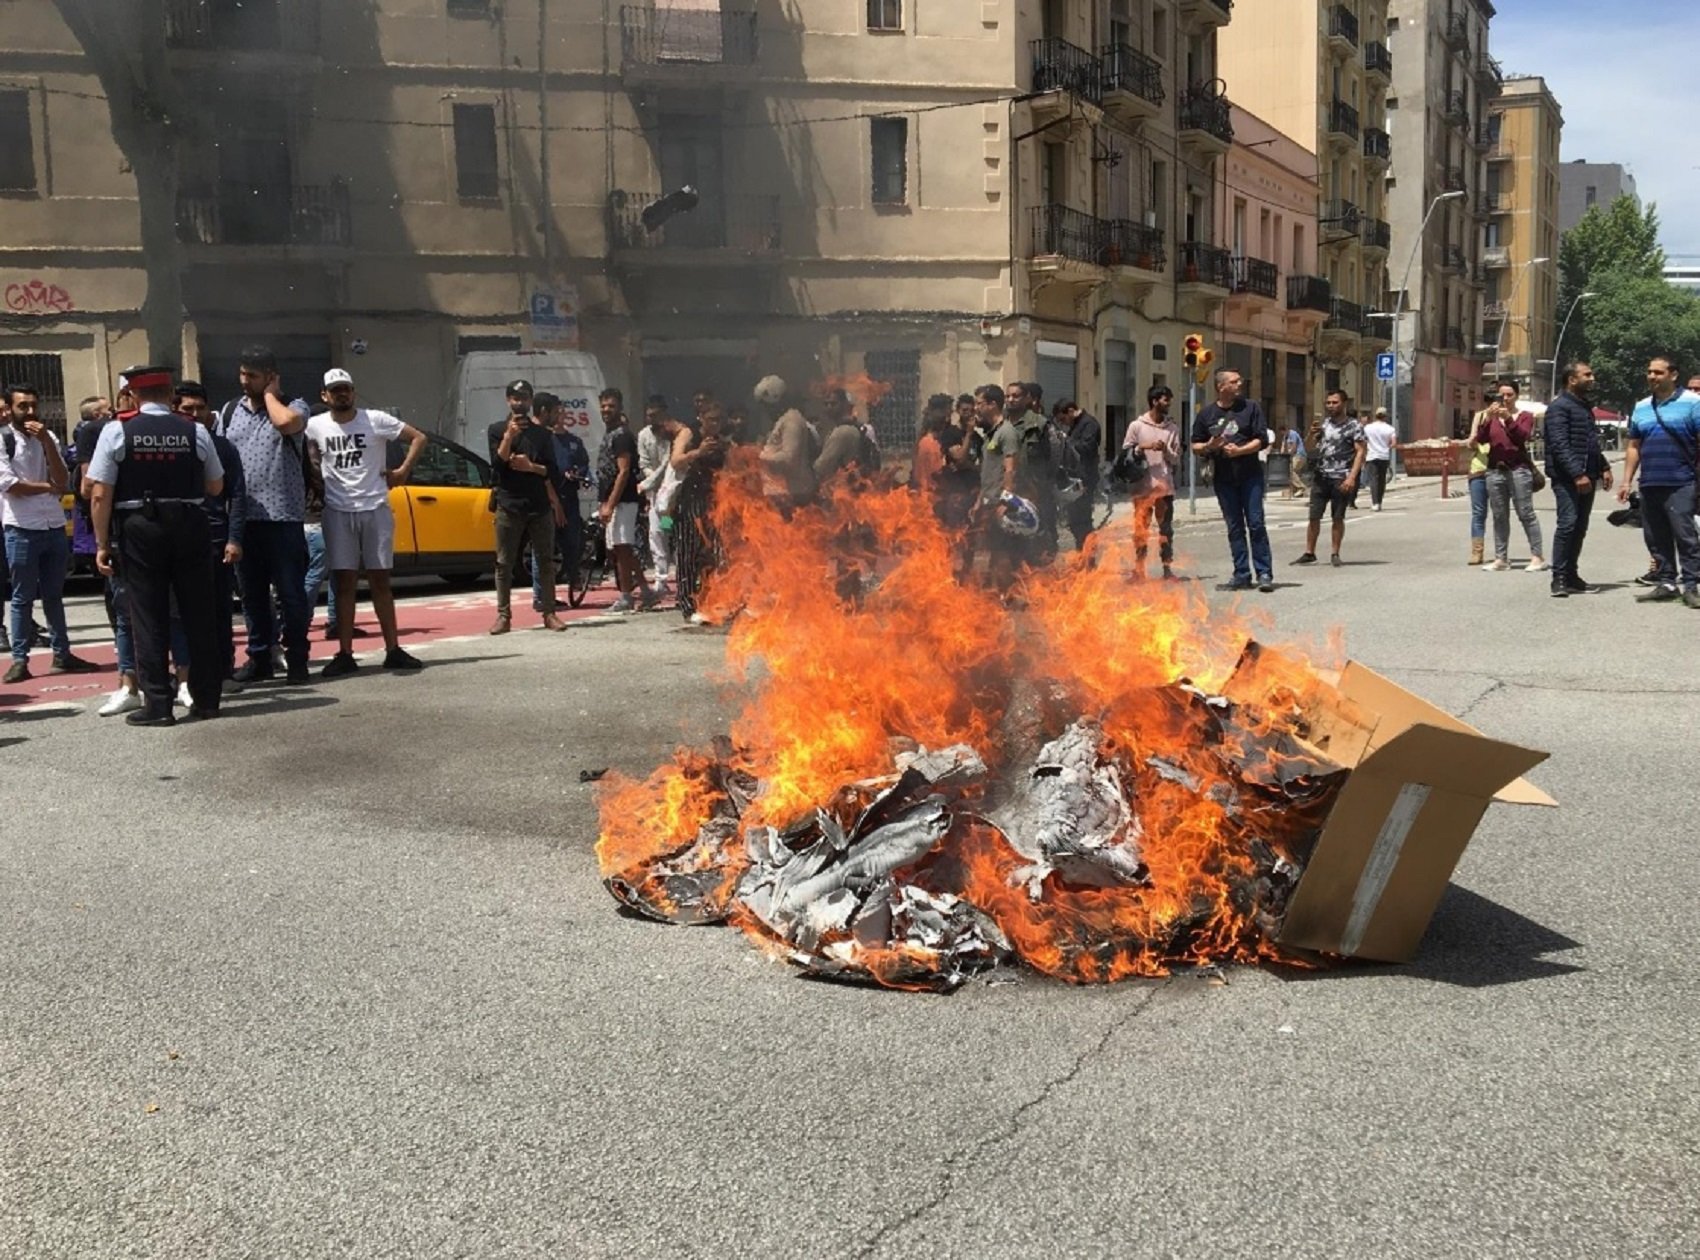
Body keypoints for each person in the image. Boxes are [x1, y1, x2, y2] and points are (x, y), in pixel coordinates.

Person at [86, 366, 224, 726]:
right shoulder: (194, 429)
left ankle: (158, 705)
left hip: (141, 527)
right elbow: (215, 486)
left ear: (132, 395)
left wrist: (102, 543)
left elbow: (99, 493)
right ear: (170, 394)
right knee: (199, 615)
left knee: (147, 616)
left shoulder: (118, 429)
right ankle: (207, 699)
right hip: (191, 523)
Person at [307, 369, 428, 676]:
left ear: (354, 392)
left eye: (345, 389)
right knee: (344, 582)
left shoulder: (375, 420)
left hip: (375, 506)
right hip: (337, 511)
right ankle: (345, 652)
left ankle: (393, 649)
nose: (341, 394)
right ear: (325, 396)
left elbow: (418, 437)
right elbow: (306, 456)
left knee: (379, 580)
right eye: (334, 390)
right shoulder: (315, 426)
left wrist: (402, 471)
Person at [217, 345, 313, 685]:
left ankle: (298, 657)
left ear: (270, 377)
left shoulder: (294, 406)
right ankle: (259, 656)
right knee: (252, 595)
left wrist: (271, 396)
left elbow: (287, 425)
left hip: (283, 517)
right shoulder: (229, 411)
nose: (245, 381)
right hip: (244, 518)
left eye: (253, 376)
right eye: (242, 374)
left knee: (290, 593)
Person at [1, 383, 96, 684]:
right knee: (22, 597)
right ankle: (19, 659)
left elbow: (62, 478)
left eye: (33, 405)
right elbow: (10, 485)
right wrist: (48, 488)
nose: (29, 411)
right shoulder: (3, 440)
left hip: (52, 525)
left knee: (55, 595)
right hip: (21, 526)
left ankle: (62, 653)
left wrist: (46, 443)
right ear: (10, 408)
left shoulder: (49, 437)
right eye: (22, 406)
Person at [174, 381, 246, 703]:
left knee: (219, 611)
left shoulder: (224, 447)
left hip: (216, 540)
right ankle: (184, 677)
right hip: (176, 540)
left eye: (199, 408)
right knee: (179, 612)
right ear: (175, 410)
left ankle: (224, 671)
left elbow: (237, 495)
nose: (194, 414)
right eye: (187, 408)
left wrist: (234, 538)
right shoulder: (170, 446)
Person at [1618, 356, 1700, 607]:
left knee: (1685, 534)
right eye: (1649, 372)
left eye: (1658, 372)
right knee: (1655, 535)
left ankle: (1691, 585)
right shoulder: (1642, 406)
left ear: (1673, 375)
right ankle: (1666, 582)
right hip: (1650, 481)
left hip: (1682, 481)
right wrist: (1626, 481)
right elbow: (1634, 445)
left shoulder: (1693, 403)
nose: (1652, 376)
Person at [489, 380, 568, 632]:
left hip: (538, 505)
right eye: (514, 397)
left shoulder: (543, 435)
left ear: (531, 400)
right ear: (507, 400)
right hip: (509, 504)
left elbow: (553, 473)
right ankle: (503, 615)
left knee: (545, 560)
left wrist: (530, 467)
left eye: (523, 397)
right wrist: (509, 436)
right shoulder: (497, 429)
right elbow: (497, 466)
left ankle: (549, 613)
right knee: (504, 562)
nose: (519, 402)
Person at [1191, 369, 1273, 592]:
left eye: (1239, 380)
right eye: (1234, 381)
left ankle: (1264, 572)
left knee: (1256, 524)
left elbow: (1261, 439)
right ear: (1221, 387)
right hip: (1224, 479)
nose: (1240, 384)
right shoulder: (1207, 414)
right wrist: (1210, 446)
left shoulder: (1250, 408)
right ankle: (1241, 574)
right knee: (1234, 527)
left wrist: (1240, 451)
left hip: (1250, 476)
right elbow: (1194, 445)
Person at [1544, 361, 1613, 598]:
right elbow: (1559, 444)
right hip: (1567, 478)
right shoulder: (1559, 407)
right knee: (1568, 524)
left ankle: (1572, 575)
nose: (1592, 378)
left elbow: (1589, 443)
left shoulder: (1583, 407)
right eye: (1587, 374)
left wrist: (1603, 466)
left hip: (1587, 476)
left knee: (1580, 528)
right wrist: (1577, 474)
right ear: (1572, 379)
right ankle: (1559, 578)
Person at [594, 389, 657, 613]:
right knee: (623, 549)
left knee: (621, 548)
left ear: (619, 407)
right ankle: (646, 592)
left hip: (624, 501)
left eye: (610, 406)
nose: (606, 410)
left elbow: (623, 471)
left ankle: (626, 596)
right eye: (603, 406)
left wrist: (610, 504)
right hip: (614, 500)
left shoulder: (621, 436)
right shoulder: (610, 433)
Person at [1478, 381, 1547, 573]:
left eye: (1509, 395)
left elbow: (1522, 437)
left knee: (1525, 512)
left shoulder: (1524, 416)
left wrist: (1508, 419)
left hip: (1518, 469)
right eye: (1502, 396)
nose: (1505, 399)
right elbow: (1481, 439)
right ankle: (1501, 558)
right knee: (1499, 515)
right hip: (1494, 470)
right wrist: (1487, 419)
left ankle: (1537, 556)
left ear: (1516, 396)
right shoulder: (1491, 418)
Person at [672, 400, 730, 623]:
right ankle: (687, 604)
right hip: (691, 499)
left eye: (720, 420)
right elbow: (675, 461)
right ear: (701, 418)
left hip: (715, 499)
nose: (716, 424)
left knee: (713, 553)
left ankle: (708, 599)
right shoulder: (689, 435)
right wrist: (697, 452)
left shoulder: (721, 441)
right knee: (688, 551)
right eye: (712, 420)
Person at [1295, 391, 1366, 568]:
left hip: (1341, 477)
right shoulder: (1324, 425)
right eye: (1328, 403)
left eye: (1335, 402)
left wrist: (1351, 477)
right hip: (1321, 476)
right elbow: (1309, 447)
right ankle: (1309, 552)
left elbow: (1360, 452)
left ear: (1344, 404)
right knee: (1313, 516)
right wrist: (1311, 434)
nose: (1331, 406)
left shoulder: (1354, 426)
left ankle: (1335, 552)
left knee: (1337, 517)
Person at [534, 391, 588, 607]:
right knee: (544, 549)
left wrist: (579, 475)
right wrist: (555, 503)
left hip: (569, 500)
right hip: (548, 501)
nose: (560, 415)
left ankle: (570, 580)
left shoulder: (573, 441)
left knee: (572, 545)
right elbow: (544, 472)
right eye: (557, 411)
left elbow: (583, 465)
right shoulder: (541, 439)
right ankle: (542, 597)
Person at [1124, 385, 1180, 579]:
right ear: (1155, 401)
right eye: (1166, 400)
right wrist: (1145, 446)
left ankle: (1167, 568)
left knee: (1166, 530)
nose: (1169, 404)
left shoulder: (1172, 428)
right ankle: (1139, 569)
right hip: (1142, 488)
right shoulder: (1136, 426)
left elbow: (1175, 459)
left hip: (1164, 488)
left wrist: (1165, 450)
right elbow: (1126, 451)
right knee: (1141, 530)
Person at [755, 375, 817, 512]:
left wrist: (758, 456)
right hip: (783, 494)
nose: (765, 411)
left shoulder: (791, 421)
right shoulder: (784, 420)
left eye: (766, 405)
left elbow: (789, 459)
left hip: (791, 494)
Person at [637, 395, 676, 602]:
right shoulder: (643, 435)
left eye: (656, 414)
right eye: (649, 414)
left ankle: (683, 576)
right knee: (656, 534)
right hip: (655, 497)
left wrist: (649, 482)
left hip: (672, 495)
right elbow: (643, 464)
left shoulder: (672, 433)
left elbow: (670, 463)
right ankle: (661, 579)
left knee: (670, 533)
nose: (651, 418)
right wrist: (651, 482)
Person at [1055, 399, 1102, 550]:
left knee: (1083, 521)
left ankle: (1088, 558)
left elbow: (1087, 448)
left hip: (1085, 480)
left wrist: (1067, 441)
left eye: (1063, 419)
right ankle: (1081, 554)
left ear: (1070, 411)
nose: (1064, 423)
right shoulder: (1075, 425)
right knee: (1074, 521)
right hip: (1073, 480)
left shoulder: (1089, 424)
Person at [813, 387, 875, 485]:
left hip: (845, 491)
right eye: (826, 404)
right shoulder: (860, 427)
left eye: (833, 404)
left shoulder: (842, 432)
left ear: (845, 406)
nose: (829, 407)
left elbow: (821, 467)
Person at [1465, 395, 1493, 566]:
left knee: (1500, 513)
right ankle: (1477, 552)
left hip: (1499, 469)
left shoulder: (1508, 417)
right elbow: (1471, 441)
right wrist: (1472, 441)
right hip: (1478, 469)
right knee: (1478, 513)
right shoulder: (1480, 416)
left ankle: (1501, 552)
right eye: (1490, 401)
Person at [1362, 406, 1396, 510]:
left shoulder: (1368, 428)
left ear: (1375, 415)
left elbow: (1363, 441)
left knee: (1373, 479)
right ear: (1386, 416)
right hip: (1384, 456)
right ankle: (1379, 502)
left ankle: (1375, 502)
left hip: (1371, 456)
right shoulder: (1390, 429)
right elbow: (1393, 443)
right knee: (1382, 480)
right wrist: (1386, 447)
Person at [1279, 423, 1307, 499]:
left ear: (1286, 430)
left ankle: (1301, 487)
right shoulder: (1285, 436)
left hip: (1299, 455)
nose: (1282, 434)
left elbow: (1294, 446)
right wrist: (1282, 453)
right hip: (1293, 456)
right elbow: (1283, 446)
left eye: (1283, 432)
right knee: (1295, 473)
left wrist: (1289, 454)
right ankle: (1296, 491)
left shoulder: (1293, 434)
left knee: (1290, 471)